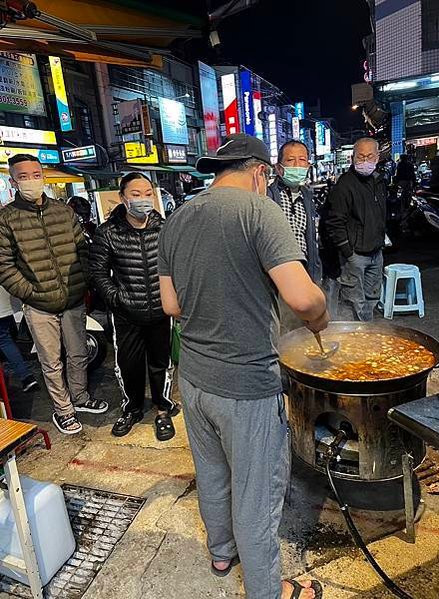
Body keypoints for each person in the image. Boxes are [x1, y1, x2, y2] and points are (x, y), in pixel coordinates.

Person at [158, 133, 327, 599]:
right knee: (257, 496)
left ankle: (220, 552)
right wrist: (321, 311)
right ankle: (267, 591)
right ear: (259, 172)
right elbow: (301, 296)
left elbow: (170, 304)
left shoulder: (176, 218)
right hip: (247, 385)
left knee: (212, 471)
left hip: (193, 379)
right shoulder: (260, 211)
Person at [0, 154, 108, 435]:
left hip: (72, 298)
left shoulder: (63, 211)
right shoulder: (6, 218)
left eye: (35, 174)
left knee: (78, 353)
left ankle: (81, 398)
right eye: (23, 177)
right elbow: (4, 265)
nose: (31, 181)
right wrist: (30, 292)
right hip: (38, 305)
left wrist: (82, 281)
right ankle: (64, 410)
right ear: (13, 182)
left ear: (43, 176)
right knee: (50, 361)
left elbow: (82, 249)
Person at [90, 173, 178, 440]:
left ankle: (163, 409)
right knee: (129, 365)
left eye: (148, 193)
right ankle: (132, 408)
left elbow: (177, 266)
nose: (143, 200)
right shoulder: (108, 232)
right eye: (136, 194)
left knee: (161, 363)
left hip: (161, 311)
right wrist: (117, 299)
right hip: (126, 314)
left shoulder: (164, 227)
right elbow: (97, 273)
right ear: (123, 198)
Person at [323, 138, 386, 321]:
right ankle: (357, 338)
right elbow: (334, 221)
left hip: (376, 252)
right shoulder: (344, 185)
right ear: (352, 157)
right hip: (355, 256)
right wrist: (347, 251)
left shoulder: (379, 181)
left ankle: (369, 334)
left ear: (377, 157)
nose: (365, 161)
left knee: (372, 298)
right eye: (361, 156)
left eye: (369, 156)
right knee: (354, 302)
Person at [268, 141, 322, 284]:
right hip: (278, 274)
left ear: (308, 166)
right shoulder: (268, 196)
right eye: (290, 160)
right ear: (279, 168)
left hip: (305, 271)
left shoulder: (307, 196)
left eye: (302, 160)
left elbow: (311, 238)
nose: (297, 165)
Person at [0, 286, 39, 393]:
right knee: (6, 338)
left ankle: (25, 377)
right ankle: (25, 376)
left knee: (4, 340)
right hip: (6, 300)